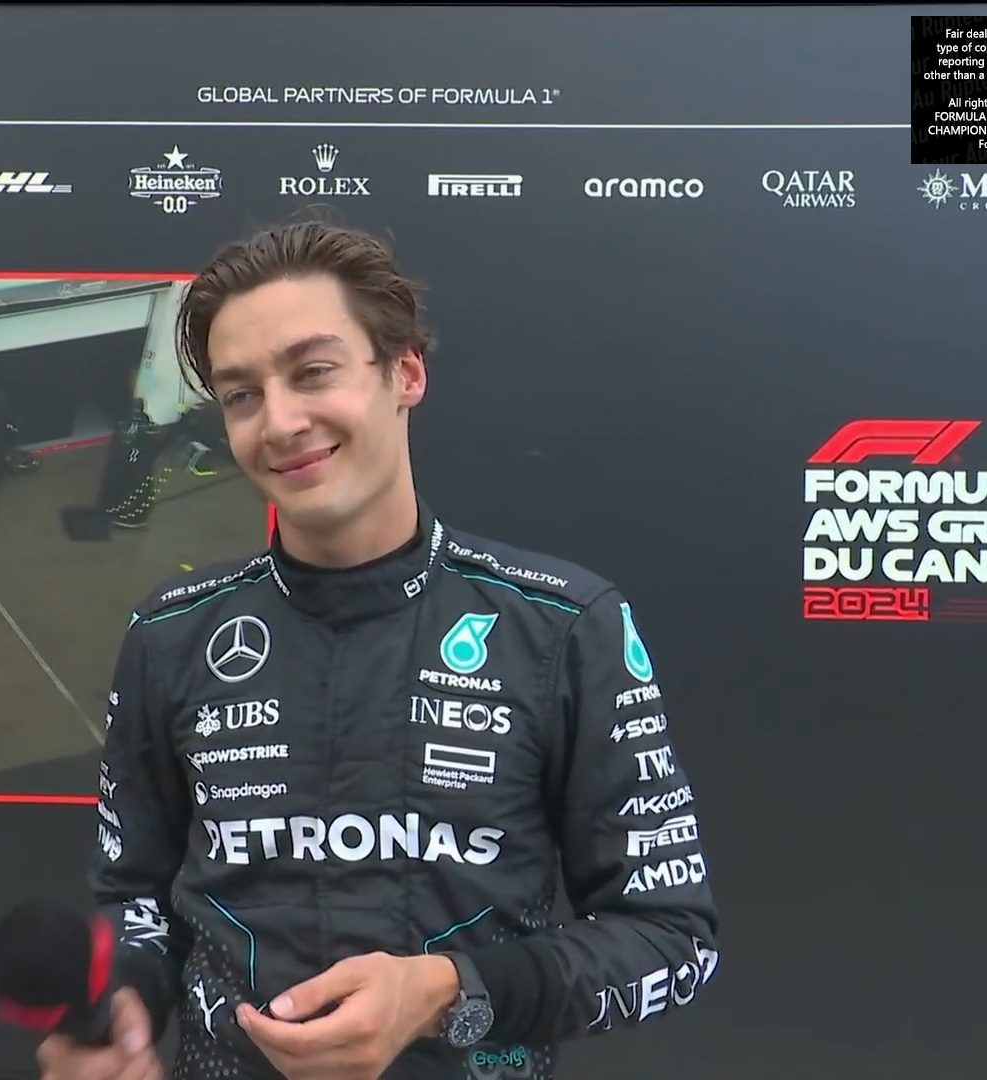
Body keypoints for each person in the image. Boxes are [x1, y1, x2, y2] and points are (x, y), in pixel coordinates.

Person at [48, 222, 720, 1080]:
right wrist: (124, 1004)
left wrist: (448, 992)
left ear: (405, 373)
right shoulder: (170, 635)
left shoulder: (563, 624)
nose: (280, 421)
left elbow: (671, 937)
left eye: (313, 372)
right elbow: (134, 901)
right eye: (242, 394)